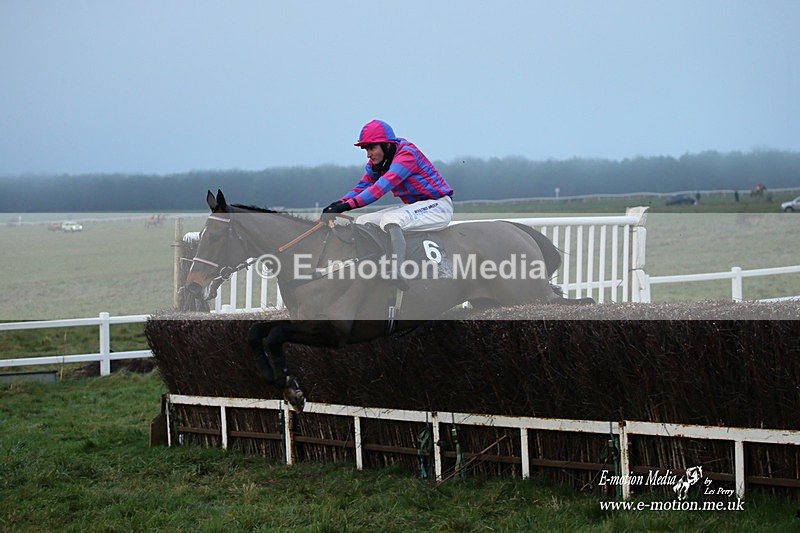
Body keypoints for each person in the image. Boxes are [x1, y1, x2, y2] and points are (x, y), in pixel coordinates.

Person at [322, 119, 454, 289]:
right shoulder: (379, 162)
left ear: (387, 145)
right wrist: (337, 204)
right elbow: (363, 187)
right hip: (416, 207)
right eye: (366, 149)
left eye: (372, 148)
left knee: (391, 219)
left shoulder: (407, 156)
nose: (368, 154)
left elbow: (380, 188)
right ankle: (373, 267)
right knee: (363, 221)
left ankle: (398, 271)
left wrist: (345, 207)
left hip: (439, 207)